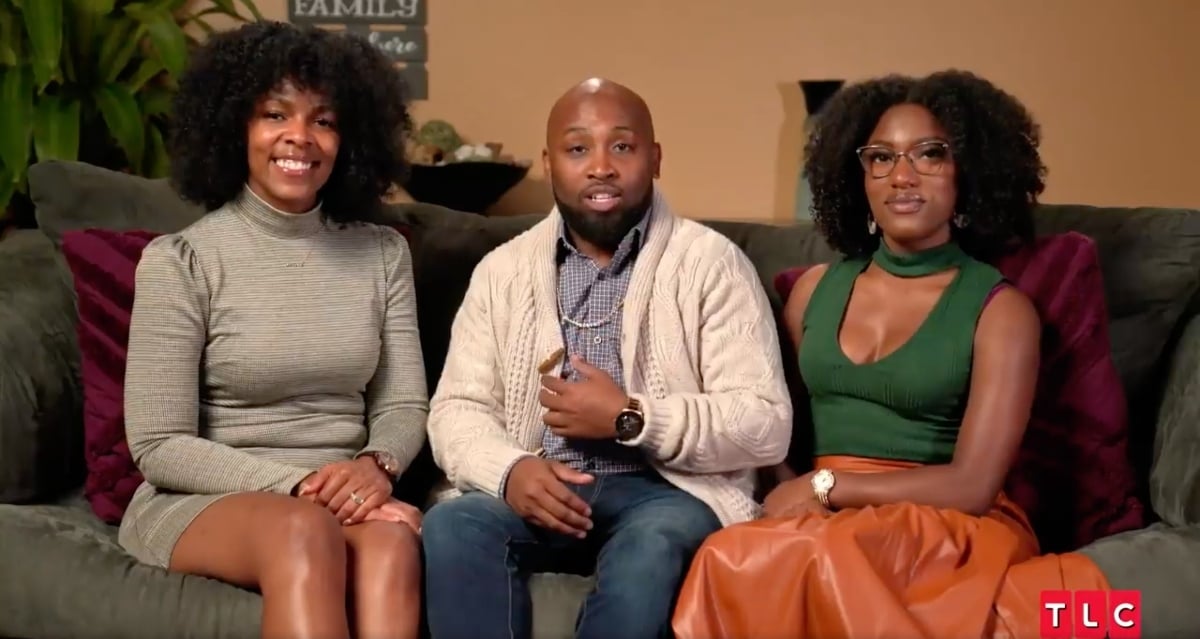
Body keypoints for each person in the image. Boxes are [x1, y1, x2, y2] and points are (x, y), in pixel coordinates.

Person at [671, 70, 1112, 638]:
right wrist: (789, 489)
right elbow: (774, 426)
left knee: (821, 557)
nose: (902, 176)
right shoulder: (810, 293)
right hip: (822, 521)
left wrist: (826, 488)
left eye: (930, 154)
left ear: (968, 173)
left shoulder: (1001, 312)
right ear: (859, 177)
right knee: (725, 556)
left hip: (944, 523)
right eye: (881, 157)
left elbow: (973, 485)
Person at [419, 77, 793, 639]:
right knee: (453, 525)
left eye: (622, 146)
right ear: (549, 164)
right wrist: (510, 470)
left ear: (656, 158)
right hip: (541, 481)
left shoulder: (712, 264)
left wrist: (630, 418)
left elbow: (765, 422)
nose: (601, 166)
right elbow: (456, 410)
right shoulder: (501, 272)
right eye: (577, 149)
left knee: (654, 545)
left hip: (667, 492)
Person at [118, 21, 427, 639]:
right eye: (274, 114)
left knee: (392, 545)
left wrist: (377, 466)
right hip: (205, 498)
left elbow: (402, 402)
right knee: (302, 528)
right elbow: (158, 445)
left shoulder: (383, 255)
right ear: (236, 127)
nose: (299, 137)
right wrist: (303, 487)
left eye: (324, 120)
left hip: (344, 496)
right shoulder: (183, 260)